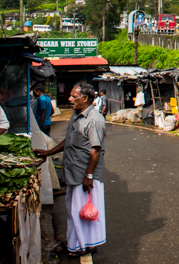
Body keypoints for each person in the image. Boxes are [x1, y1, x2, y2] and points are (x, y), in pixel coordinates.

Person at [35, 82, 107, 258]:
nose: (69, 99)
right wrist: (48, 152)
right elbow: (68, 141)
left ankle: (81, 246)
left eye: (74, 96)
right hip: (73, 173)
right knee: (75, 211)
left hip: (84, 175)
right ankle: (78, 244)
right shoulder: (76, 116)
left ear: (85, 98)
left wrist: (88, 176)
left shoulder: (94, 120)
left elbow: (95, 150)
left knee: (83, 213)